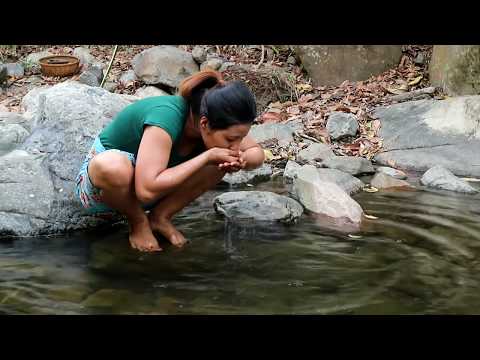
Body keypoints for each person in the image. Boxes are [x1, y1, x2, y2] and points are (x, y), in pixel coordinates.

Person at [75, 70, 265, 252]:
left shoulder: (220, 123)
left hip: (153, 190)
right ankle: (139, 222)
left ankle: (160, 218)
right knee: (113, 166)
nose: (236, 145)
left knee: (221, 161)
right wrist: (207, 156)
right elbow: (146, 191)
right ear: (204, 124)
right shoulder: (165, 117)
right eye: (232, 140)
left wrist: (243, 159)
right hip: (106, 195)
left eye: (241, 138)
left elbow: (257, 153)